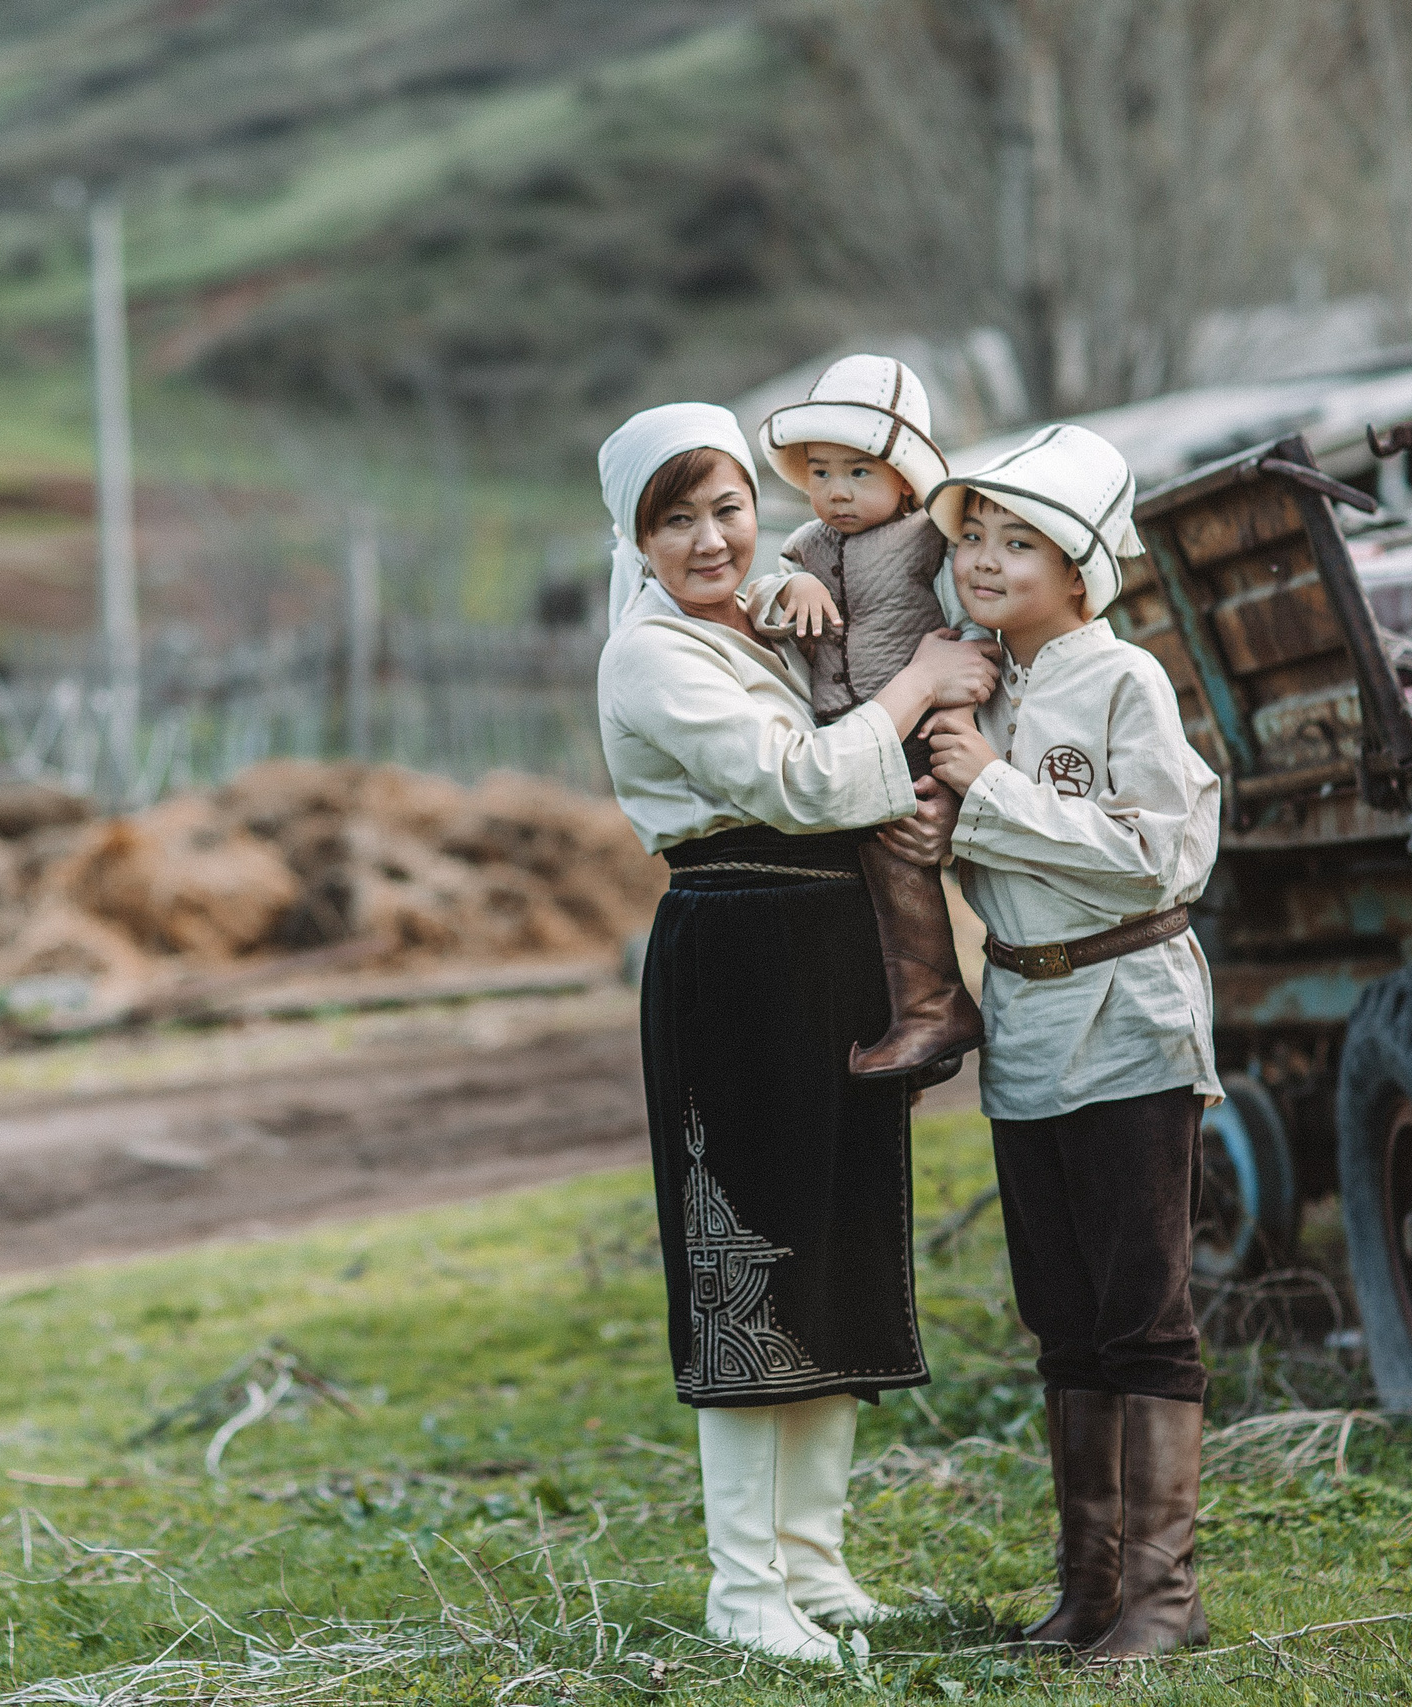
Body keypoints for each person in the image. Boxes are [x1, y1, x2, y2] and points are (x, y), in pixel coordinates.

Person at [594, 401, 999, 1666]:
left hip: (830, 940)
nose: (709, 539)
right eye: (675, 519)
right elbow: (802, 781)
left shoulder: (767, 607)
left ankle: (814, 1566)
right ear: (635, 538)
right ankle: (743, 1585)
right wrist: (924, 680)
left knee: (832, 1242)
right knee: (747, 1260)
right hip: (736, 946)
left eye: (725, 507)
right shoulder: (649, 656)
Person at [914, 423, 1223, 1659]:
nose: (984, 560)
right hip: (1027, 1024)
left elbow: (1160, 859)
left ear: (1081, 570)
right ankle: (1088, 1590)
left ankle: (1164, 1597)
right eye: (973, 538)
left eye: (1019, 542)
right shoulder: (976, 685)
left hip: (1128, 1018)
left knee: (1142, 1309)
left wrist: (990, 786)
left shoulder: (1122, 681)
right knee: (1064, 1314)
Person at [745, 353, 987, 1085]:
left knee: (897, 860)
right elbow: (758, 603)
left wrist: (961, 711)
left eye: (858, 472)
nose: (837, 491)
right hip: (841, 734)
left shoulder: (930, 540)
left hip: (910, 728)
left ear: (906, 480)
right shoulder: (805, 548)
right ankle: (889, 1014)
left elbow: (970, 623)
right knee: (852, 881)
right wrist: (788, 592)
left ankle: (934, 1006)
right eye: (820, 472)